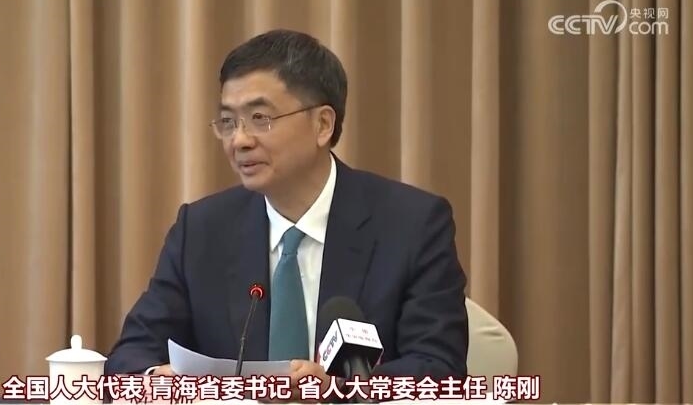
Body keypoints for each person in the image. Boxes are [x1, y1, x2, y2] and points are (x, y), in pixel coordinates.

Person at [104, 29, 469, 394]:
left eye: (260, 118)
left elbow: (440, 367)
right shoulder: (201, 231)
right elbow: (131, 354)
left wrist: (336, 390)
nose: (239, 140)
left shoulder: (412, 225)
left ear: (323, 124)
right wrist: (155, 379)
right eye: (228, 122)